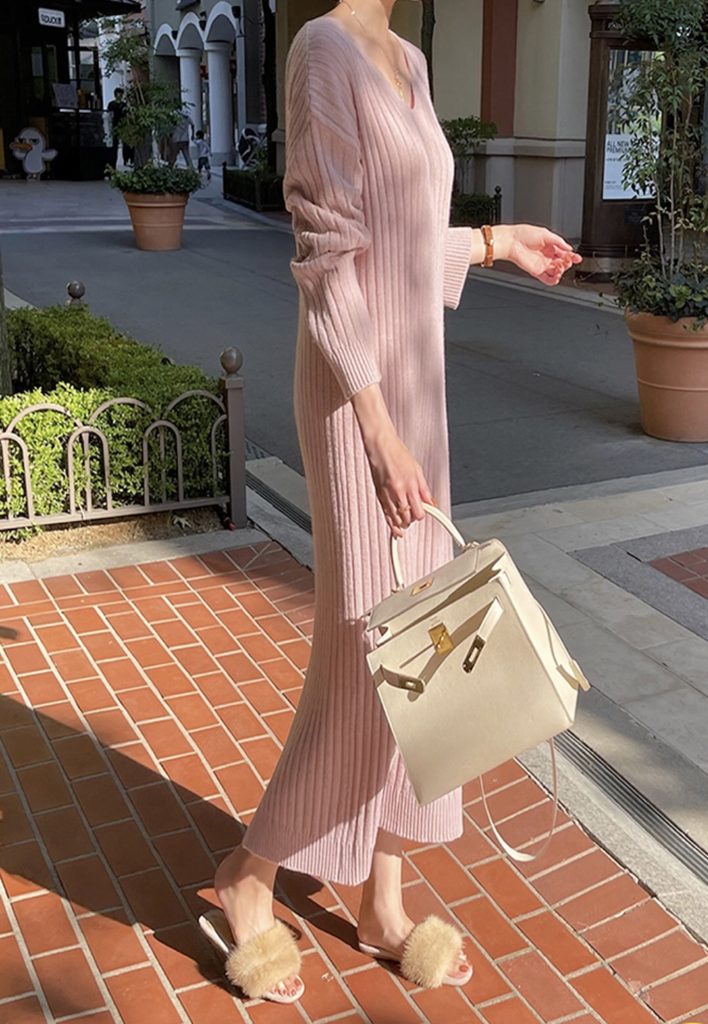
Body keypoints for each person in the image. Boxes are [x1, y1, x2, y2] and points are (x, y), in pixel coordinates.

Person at [202, 0, 581, 1005]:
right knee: (365, 657)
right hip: (356, 401)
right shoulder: (322, 49)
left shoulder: (406, 55)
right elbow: (328, 258)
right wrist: (374, 430)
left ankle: (381, 895)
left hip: (418, 395)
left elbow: (399, 240)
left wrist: (495, 242)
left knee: (425, 649)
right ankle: (249, 874)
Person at [107, 87, 133, 166]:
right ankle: (113, 162)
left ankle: (126, 159)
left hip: (123, 125)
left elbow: (126, 115)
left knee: (125, 144)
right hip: (115, 125)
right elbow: (109, 115)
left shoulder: (123, 105)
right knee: (115, 145)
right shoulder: (111, 104)